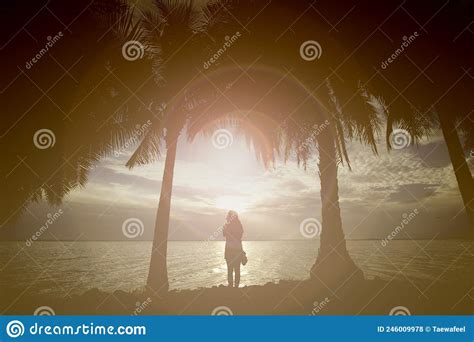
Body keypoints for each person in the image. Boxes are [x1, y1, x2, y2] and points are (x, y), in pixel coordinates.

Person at [223, 210, 244, 288]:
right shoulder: (239, 226)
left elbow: (224, 234)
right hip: (237, 250)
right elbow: (240, 236)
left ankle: (231, 286)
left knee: (230, 269)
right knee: (237, 269)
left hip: (229, 250)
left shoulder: (227, 226)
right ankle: (236, 287)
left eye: (228, 216)